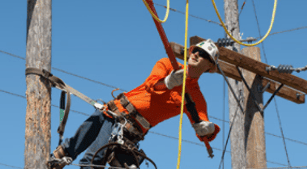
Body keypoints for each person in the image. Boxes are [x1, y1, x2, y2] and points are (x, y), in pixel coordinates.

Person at [50, 39, 221, 169]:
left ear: (210, 67)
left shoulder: (195, 97)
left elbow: (202, 127)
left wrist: (209, 129)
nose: (197, 54)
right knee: (80, 157)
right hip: (114, 113)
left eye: (204, 54)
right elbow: (151, 84)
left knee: (93, 162)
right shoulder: (168, 64)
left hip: (130, 132)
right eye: (196, 50)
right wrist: (168, 82)